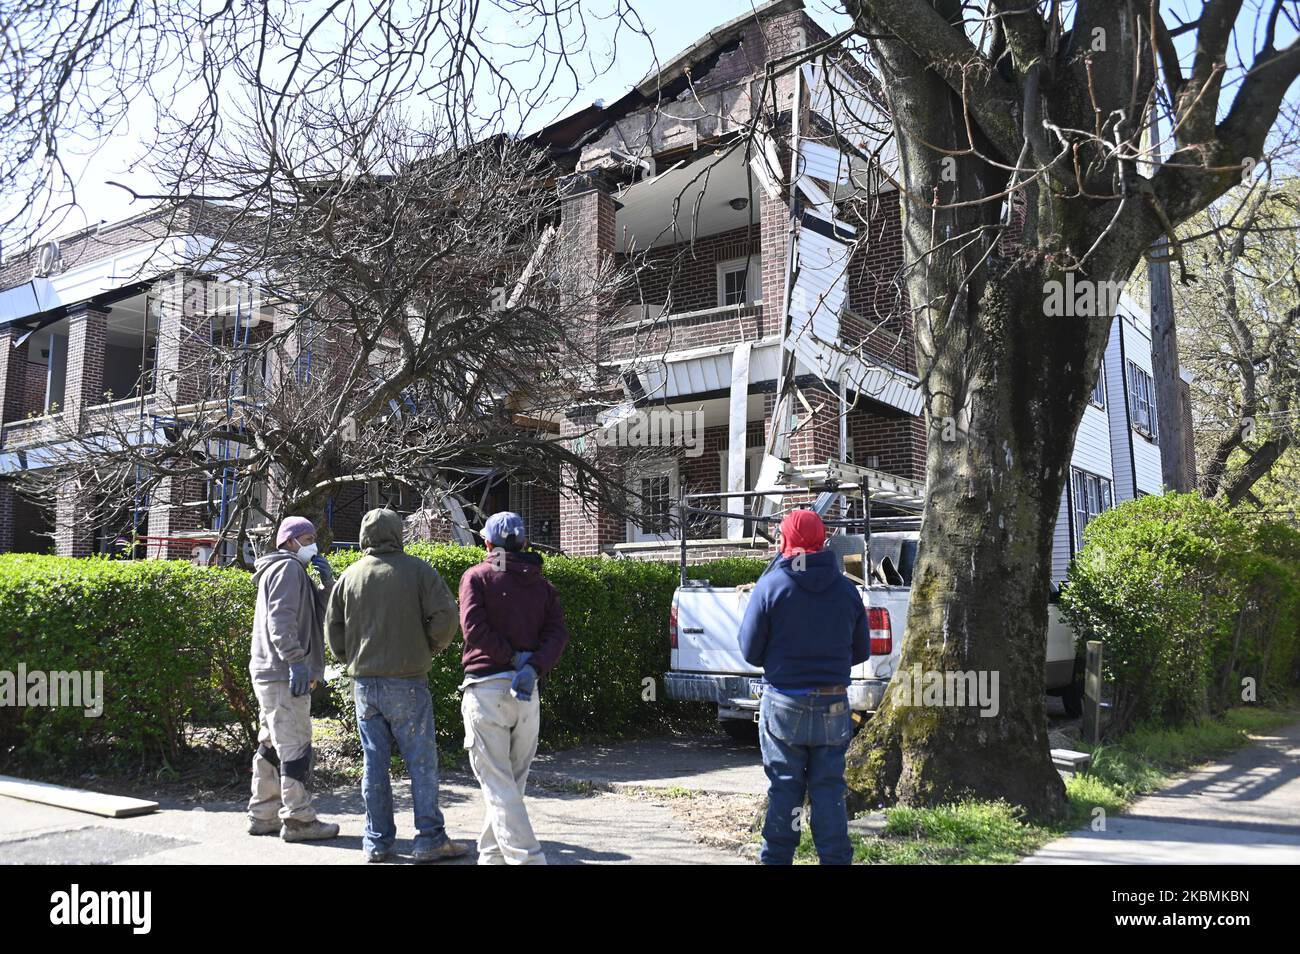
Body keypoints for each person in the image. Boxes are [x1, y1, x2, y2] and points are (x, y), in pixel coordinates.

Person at [325, 508, 466, 863]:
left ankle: (377, 842)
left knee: (374, 764)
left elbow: (334, 630)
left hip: (364, 683)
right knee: (421, 762)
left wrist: (350, 657)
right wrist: (431, 645)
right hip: (407, 680)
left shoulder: (350, 576)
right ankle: (430, 837)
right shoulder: (418, 570)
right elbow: (446, 616)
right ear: (397, 533)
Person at [738, 508, 869, 865]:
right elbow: (861, 651)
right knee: (828, 790)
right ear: (823, 540)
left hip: (783, 703)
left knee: (785, 788)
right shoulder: (846, 589)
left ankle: (776, 860)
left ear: (786, 540)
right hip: (834, 704)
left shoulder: (772, 586)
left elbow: (749, 651)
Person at [458, 511, 569, 865]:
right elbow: (557, 635)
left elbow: (473, 630)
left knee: (499, 787)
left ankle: (528, 859)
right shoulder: (544, 587)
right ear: (524, 543)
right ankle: (491, 857)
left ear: (488, 544)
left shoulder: (476, 577)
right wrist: (531, 664)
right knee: (510, 785)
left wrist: (511, 657)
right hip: (527, 693)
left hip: (487, 690)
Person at [247, 516, 340, 843]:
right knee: (296, 745)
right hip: (284, 673)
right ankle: (299, 820)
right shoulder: (287, 569)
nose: (314, 543)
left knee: (272, 743)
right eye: (308, 537)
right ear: (289, 541)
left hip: (270, 671)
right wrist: (297, 662)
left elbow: (321, 612)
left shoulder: (288, 570)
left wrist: (327, 583)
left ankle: (263, 814)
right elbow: (281, 620)